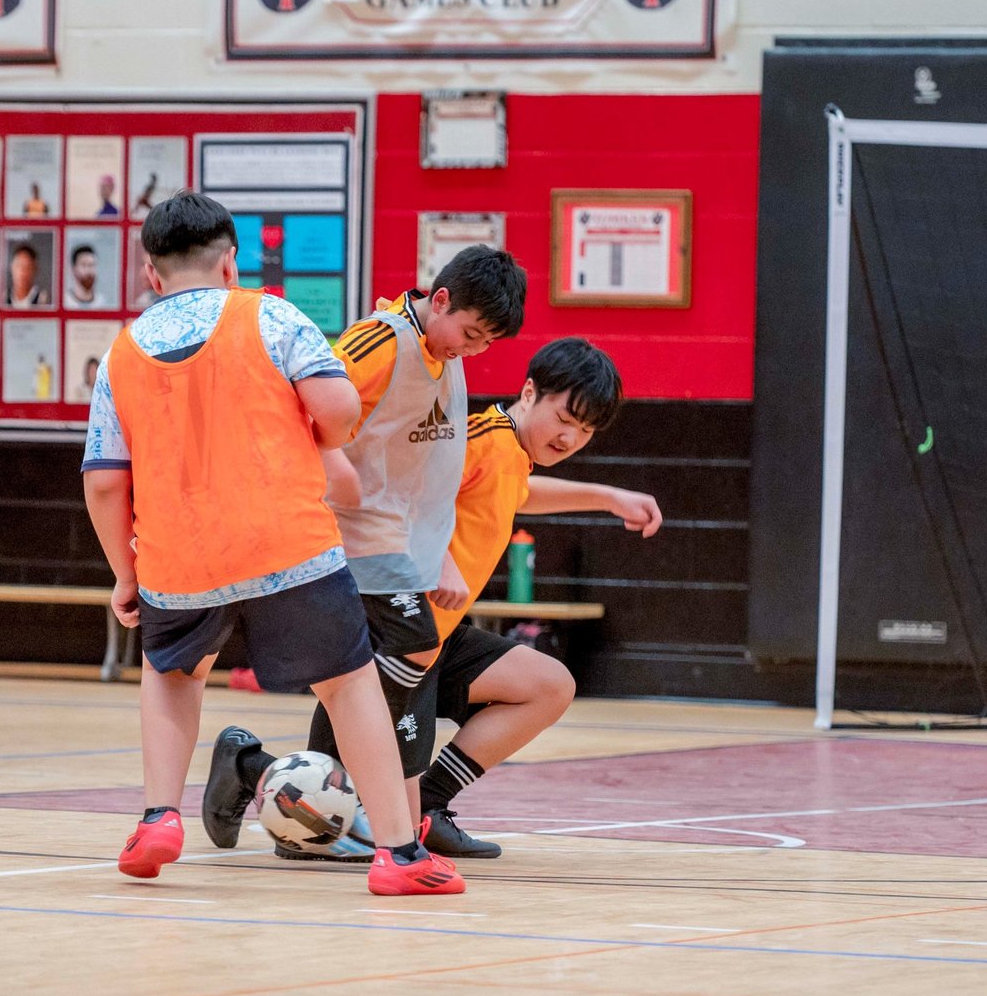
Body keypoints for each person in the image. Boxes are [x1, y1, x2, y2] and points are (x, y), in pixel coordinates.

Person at [81, 192, 464, 896]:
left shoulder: (120, 355)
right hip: (287, 544)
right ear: (230, 263)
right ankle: (400, 857)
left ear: (151, 274)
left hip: (179, 554)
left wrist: (124, 572)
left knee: (172, 676)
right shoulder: (273, 315)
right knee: (350, 686)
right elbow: (340, 411)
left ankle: (158, 817)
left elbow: (105, 483)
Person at [218, 338, 661, 860]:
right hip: (394, 637)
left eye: (586, 431)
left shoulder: (512, 455)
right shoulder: (478, 439)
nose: (571, 437)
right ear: (528, 391)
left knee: (547, 685)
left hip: (440, 637)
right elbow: (405, 496)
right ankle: (246, 765)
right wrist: (438, 560)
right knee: (330, 821)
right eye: (565, 418)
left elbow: (518, 493)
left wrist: (608, 498)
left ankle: (427, 806)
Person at [198, 246, 528, 860]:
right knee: (406, 657)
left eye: (487, 344)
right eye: (471, 333)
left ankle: (267, 779)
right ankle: (389, 828)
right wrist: (331, 486)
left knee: (367, 682)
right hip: (348, 538)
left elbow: (428, 474)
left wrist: (441, 552)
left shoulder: (442, 354)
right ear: (441, 300)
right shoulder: (379, 344)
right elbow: (297, 413)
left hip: (400, 548)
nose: (473, 349)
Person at [5, 241, 47, 308]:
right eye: (18, 266)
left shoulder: (42, 299)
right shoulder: (3, 296)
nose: (22, 272)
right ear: (11, 267)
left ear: (35, 270)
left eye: (27, 267)